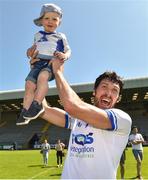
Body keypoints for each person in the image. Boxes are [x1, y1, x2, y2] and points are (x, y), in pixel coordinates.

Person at [22, 55, 132, 179]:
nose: (108, 93)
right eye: (104, 87)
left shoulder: (122, 119)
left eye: (114, 91)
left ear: (118, 98)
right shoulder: (78, 118)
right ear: (94, 91)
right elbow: (43, 110)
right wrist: (37, 72)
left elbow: (72, 106)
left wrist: (57, 72)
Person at [16, 3, 71, 125]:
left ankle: (37, 104)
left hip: (51, 61)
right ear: (41, 21)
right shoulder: (37, 35)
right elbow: (35, 48)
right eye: (47, 18)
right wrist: (29, 52)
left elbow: (68, 49)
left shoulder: (60, 36)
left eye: (54, 19)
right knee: (29, 84)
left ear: (59, 23)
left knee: (43, 77)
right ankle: (25, 112)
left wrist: (65, 56)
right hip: (38, 62)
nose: (50, 21)